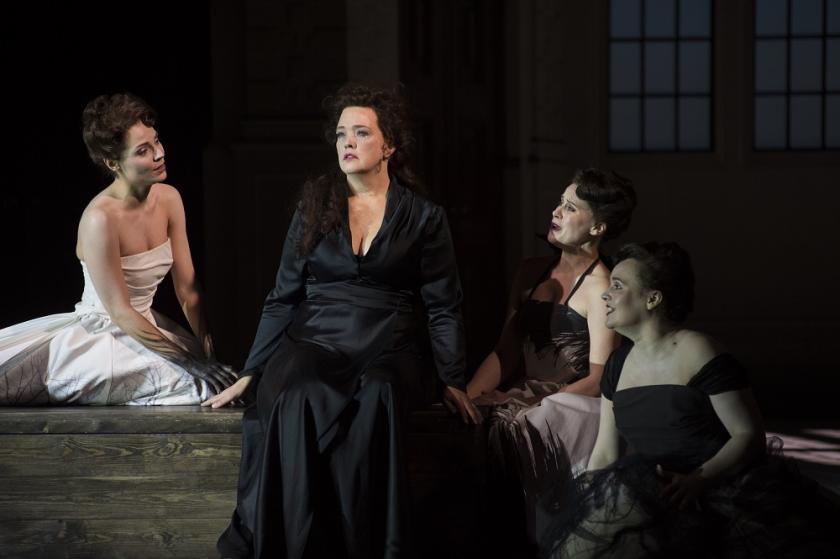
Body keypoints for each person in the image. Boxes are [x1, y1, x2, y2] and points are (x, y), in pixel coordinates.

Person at [209, 83, 481, 559]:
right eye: (341, 134)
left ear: (389, 145)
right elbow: (283, 295)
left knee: (380, 393)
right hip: (316, 338)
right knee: (298, 392)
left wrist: (452, 378)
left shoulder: (424, 217)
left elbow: (443, 305)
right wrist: (252, 370)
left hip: (390, 342)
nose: (347, 143)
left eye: (361, 133)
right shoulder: (314, 206)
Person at [541, 242, 839, 558]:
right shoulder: (617, 364)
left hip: (716, 490)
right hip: (654, 495)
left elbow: (747, 434)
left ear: (652, 298)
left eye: (617, 286)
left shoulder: (699, 350)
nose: (605, 295)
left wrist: (699, 479)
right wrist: (587, 502)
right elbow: (605, 450)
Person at [0, 92, 235, 405]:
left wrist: (208, 354)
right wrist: (189, 364)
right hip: (106, 335)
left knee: (222, 383)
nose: (159, 154)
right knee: (197, 388)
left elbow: (188, 291)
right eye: (143, 151)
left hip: (146, 326)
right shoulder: (100, 218)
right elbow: (121, 312)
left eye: (157, 141)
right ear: (113, 163)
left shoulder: (169, 199)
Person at [467, 170, 636, 520]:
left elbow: (597, 380)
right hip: (523, 395)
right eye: (560, 202)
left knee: (515, 426)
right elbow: (505, 351)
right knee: (470, 422)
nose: (556, 212)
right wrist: (469, 397)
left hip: (569, 406)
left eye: (570, 208)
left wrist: (528, 403)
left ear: (598, 227)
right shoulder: (529, 272)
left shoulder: (601, 286)